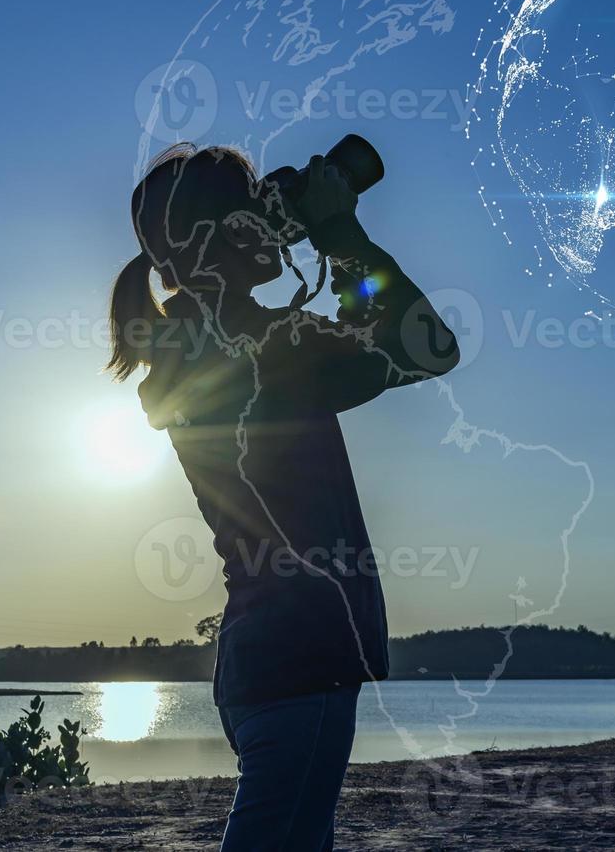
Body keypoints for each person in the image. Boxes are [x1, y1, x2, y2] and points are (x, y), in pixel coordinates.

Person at [107, 142, 460, 850]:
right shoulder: (269, 346)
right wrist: (338, 235)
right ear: (213, 237)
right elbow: (427, 347)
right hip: (306, 654)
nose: (269, 214)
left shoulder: (192, 349)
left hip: (260, 659)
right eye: (250, 203)